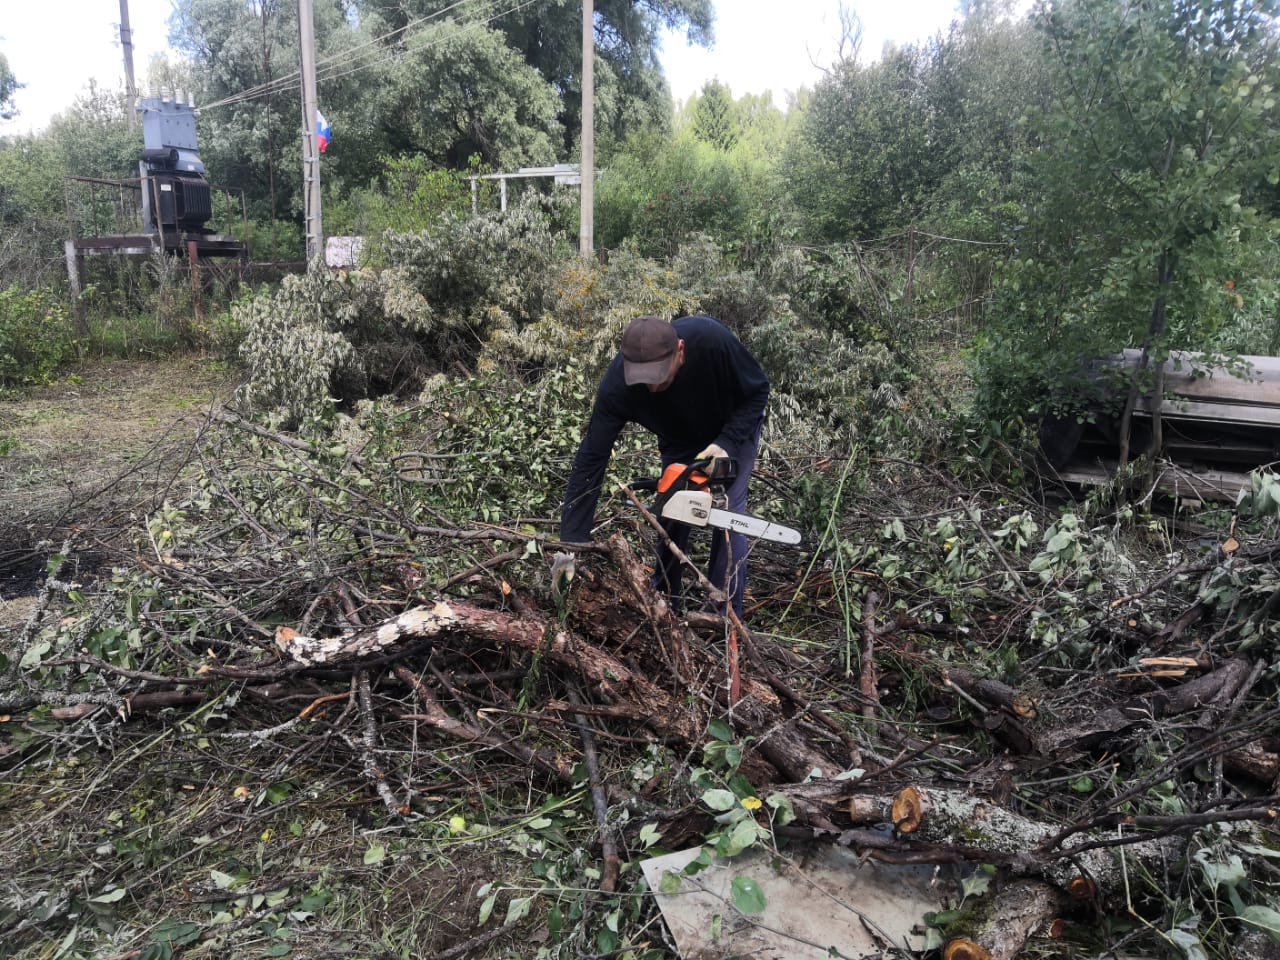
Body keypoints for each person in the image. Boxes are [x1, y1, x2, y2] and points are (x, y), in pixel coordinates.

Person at [558, 314, 770, 616]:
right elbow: (591, 460)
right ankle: (665, 600)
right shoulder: (616, 388)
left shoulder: (711, 341)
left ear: (680, 350)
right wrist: (571, 547)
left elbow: (758, 391)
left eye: (660, 375)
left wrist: (728, 442)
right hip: (679, 437)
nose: (654, 386)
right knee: (671, 508)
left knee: (726, 513)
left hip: (732, 427)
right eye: (644, 379)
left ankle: (722, 615)